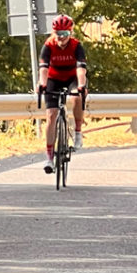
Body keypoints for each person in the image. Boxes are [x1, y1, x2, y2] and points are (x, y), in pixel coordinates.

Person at [37, 13, 88, 174]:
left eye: (65, 33)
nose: (61, 37)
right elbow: (43, 68)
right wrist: (42, 84)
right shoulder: (48, 45)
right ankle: (49, 157)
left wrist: (81, 85)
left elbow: (81, 70)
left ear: (70, 33)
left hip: (72, 78)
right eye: (58, 33)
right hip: (54, 78)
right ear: (53, 33)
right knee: (51, 115)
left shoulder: (76, 46)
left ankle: (78, 131)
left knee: (77, 97)